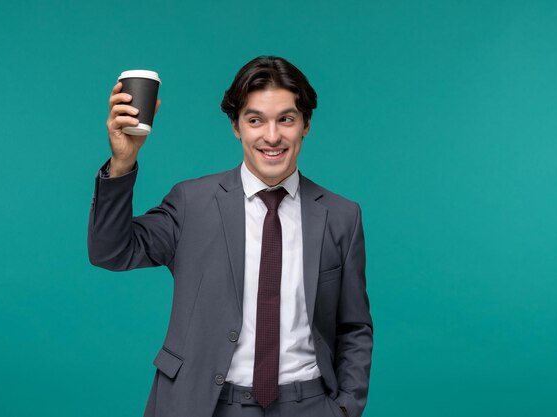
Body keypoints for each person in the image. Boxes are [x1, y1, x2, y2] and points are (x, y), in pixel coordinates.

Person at [88, 56, 373, 417]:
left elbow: (354, 326)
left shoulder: (342, 216)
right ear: (236, 126)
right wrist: (122, 162)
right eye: (256, 120)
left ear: (306, 125)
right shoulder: (191, 202)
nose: (272, 137)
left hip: (308, 405)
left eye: (286, 119)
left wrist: (345, 408)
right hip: (204, 405)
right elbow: (111, 252)